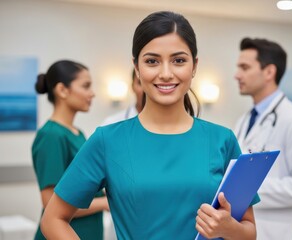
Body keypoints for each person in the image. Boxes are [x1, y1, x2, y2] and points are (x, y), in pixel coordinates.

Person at [40, 11, 259, 239]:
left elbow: (249, 231)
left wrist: (228, 228)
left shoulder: (222, 140)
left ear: (194, 66)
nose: (165, 74)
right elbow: (53, 218)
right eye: (152, 61)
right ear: (136, 68)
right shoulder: (108, 141)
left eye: (179, 61)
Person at [233, 37, 292, 240]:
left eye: (244, 67)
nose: (236, 75)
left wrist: (248, 190)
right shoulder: (244, 121)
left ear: (269, 72)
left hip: (280, 232)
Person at [32, 60, 109, 240]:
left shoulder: (77, 134)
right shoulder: (51, 135)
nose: (92, 93)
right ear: (62, 90)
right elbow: (50, 202)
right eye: (86, 86)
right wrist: (105, 203)